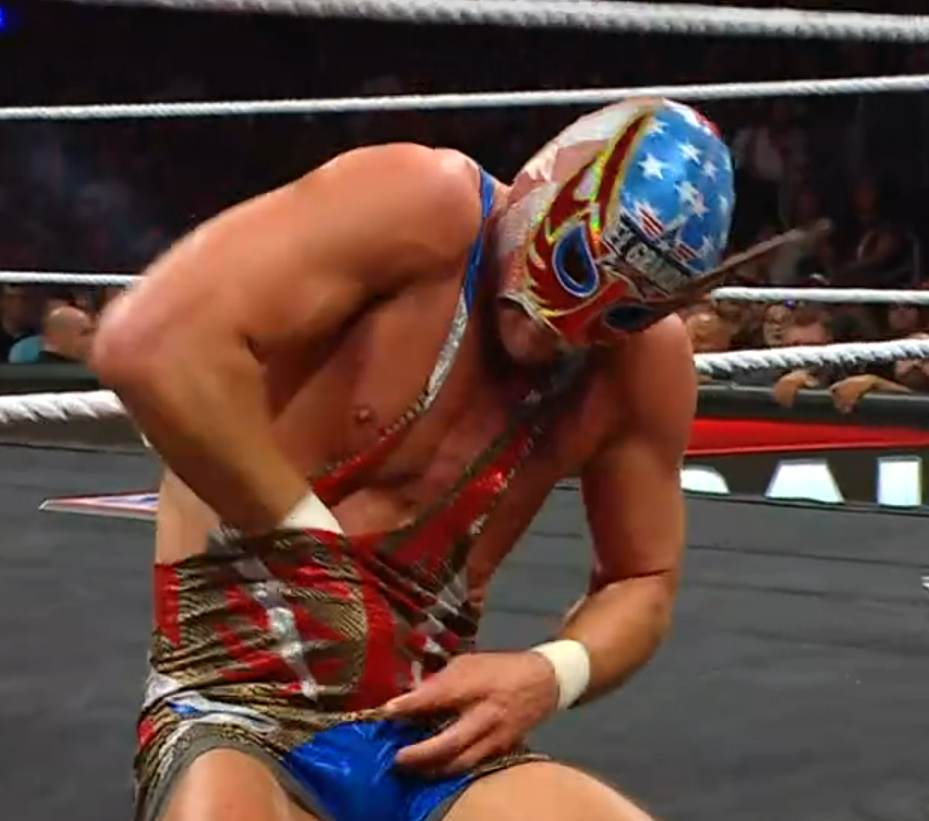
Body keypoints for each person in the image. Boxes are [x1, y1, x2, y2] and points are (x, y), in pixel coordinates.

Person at [92, 98, 738, 821]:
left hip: (425, 727)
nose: (560, 327)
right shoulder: (420, 205)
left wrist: (548, 674)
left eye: (620, 314)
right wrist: (306, 537)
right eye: (572, 266)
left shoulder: (641, 364)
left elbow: (641, 578)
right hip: (237, 699)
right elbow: (150, 343)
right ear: (542, 188)